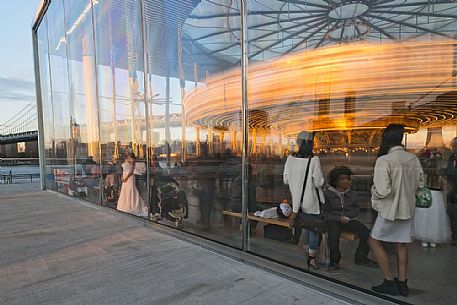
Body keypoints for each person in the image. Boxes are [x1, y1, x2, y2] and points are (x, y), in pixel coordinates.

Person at [369, 124, 424, 297]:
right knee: (401, 244)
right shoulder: (412, 159)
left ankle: (388, 280)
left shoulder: (384, 160)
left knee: (374, 241)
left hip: (389, 210)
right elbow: (420, 184)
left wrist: (374, 193)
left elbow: (383, 190)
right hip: (407, 209)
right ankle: (403, 283)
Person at [323, 166, 378, 271]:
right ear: (335, 180)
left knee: (366, 233)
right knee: (333, 236)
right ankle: (334, 262)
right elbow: (325, 213)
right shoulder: (328, 194)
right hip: (333, 220)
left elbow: (356, 208)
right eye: (342, 179)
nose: (347, 181)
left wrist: (349, 216)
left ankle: (361, 257)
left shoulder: (351, 193)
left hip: (348, 219)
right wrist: (339, 218)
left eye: (348, 179)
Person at [284, 131, 325, 270]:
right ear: (311, 144)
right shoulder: (314, 160)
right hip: (311, 201)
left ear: (298, 142)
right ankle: (312, 258)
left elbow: (285, 180)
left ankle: (307, 250)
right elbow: (318, 182)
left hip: (297, 202)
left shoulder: (290, 159)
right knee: (313, 228)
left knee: (305, 224)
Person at [117, 152, 148, 217]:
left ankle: (132, 205)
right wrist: (122, 177)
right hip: (125, 176)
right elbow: (123, 169)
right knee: (125, 190)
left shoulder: (132, 160)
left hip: (129, 177)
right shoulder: (126, 159)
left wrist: (126, 177)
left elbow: (131, 170)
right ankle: (124, 205)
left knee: (131, 190)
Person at [441, 137, 457, 246]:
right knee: (451, 213)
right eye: (454, 146)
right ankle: (454, 236)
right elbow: (449, 170)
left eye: (456, 146)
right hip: (452, 190)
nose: (454, 148)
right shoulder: (452, 157)